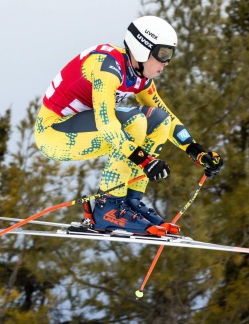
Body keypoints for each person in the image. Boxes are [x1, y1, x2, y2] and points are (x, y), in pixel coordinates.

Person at [34, 16, 223, 236]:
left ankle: (130, 202)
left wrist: (196, 151)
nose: (167, 62)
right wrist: (144, 161)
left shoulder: (139, 75)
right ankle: (108, 206)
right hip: (53, 135)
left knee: (158, 120)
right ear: (142, 49)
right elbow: (107, 122)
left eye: (170, 54)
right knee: (135, 120)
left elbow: (167, 118)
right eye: (163, 54)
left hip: (82, 129)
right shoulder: (108, 67)